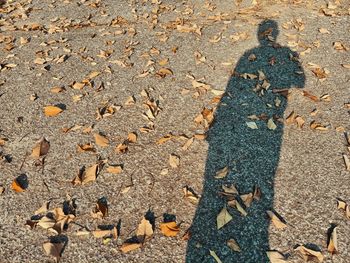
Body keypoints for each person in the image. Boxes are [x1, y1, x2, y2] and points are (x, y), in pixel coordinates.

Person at [186, 20, 305, 262]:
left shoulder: (249, 54)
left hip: (245, 128)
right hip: (269, 125)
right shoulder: (282, 54)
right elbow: (300, 81)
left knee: (220, 187)